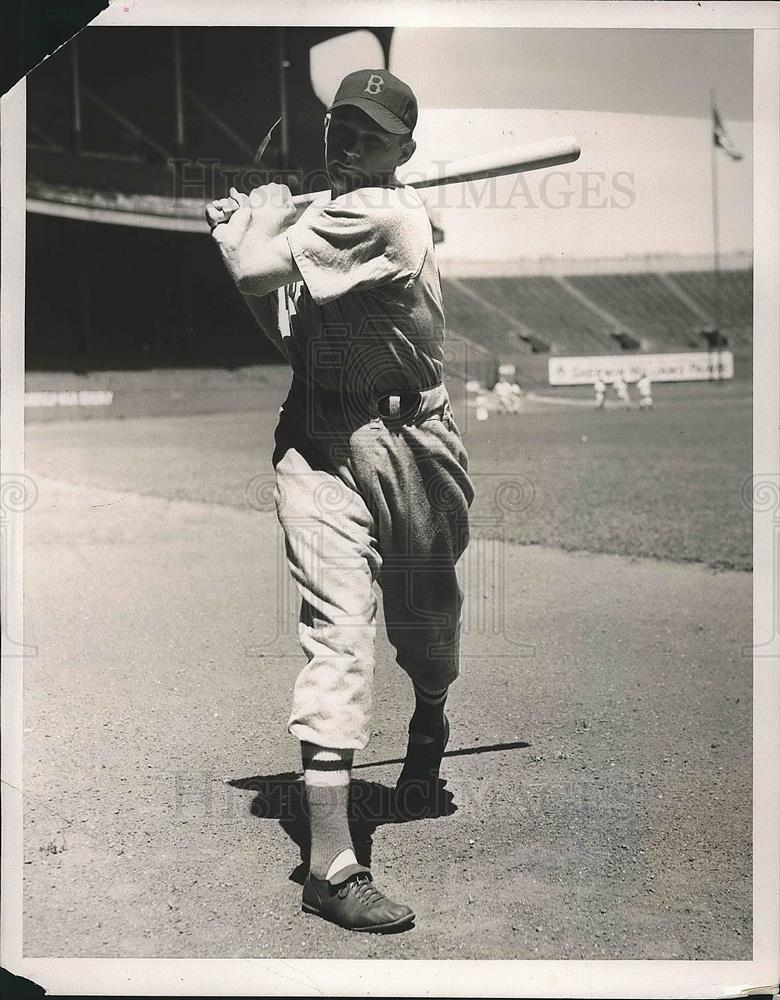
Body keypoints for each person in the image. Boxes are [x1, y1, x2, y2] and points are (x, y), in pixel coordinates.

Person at [205, 70, 473, 933]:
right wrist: (262, 228)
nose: (348, 145)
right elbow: (278, 317)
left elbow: (252, 266)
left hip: (413, 445)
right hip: (318, 442)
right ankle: (331, 866)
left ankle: (429, 717)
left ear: (404, 150)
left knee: (427, 628)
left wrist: (256, 221)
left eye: (369, 134)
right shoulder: (332, 222)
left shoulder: (385, 216)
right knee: (339, 631)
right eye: (339, 129)